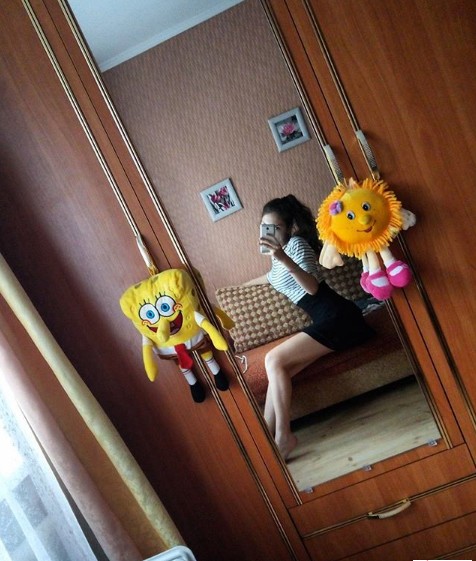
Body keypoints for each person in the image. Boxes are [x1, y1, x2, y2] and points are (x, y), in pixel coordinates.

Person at [245, 194, 374, 460]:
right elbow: (269, 278)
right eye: (265, 227)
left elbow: (312, 287)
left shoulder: (297, 245)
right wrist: (237, 288)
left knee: (272, 359)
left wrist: (283, 257)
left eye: (275, 227)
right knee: (279, 370)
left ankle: (284, 437)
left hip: (339, 317)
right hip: (328, 321)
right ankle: (267, 440)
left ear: (288, 228)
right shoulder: (276, 258)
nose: (269, 232)